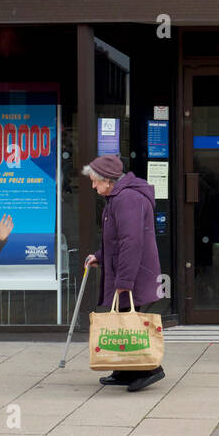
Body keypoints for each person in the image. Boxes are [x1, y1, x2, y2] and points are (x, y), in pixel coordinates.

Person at [82, 154, 165, 392]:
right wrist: (99, 255)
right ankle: (127, 369)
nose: (93, 186)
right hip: (126, 268)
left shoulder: (127, 198)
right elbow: (116, 239)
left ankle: (149, 368)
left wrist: (125, 281)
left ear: (108, 180)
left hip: (132, 270)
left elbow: (131, 242)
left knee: (131, 319)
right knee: (124, 317)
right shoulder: (119, 197)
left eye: (95, 181)